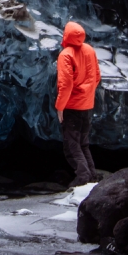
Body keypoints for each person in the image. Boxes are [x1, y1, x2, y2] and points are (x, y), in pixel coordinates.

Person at [55, 21, 100, 186]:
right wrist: (86, 95)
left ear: (66, 35)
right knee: (84, 144)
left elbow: (65, 85)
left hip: (71, 106)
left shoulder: (66, 55)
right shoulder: (89, 50)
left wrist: (60, 107)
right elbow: (97, 76)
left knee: (72, 147)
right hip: (86, 105)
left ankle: (83, 178)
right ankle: (92, 176)